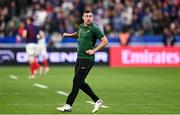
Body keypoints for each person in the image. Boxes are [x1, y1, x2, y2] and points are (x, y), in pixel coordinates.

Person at [56, 10, 108, 113]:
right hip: (79, 58)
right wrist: (69, 35)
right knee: (80, 82)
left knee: (76, 82)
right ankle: (97, 100)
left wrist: (94, 50)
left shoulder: (94, 28)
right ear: (83, 17)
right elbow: (78, 34)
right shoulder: (81, 26)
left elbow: (105, 41)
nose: (89, 18)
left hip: (87, 59)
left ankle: (68, 105)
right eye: (87, 16)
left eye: (90, 16)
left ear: (92, 18)